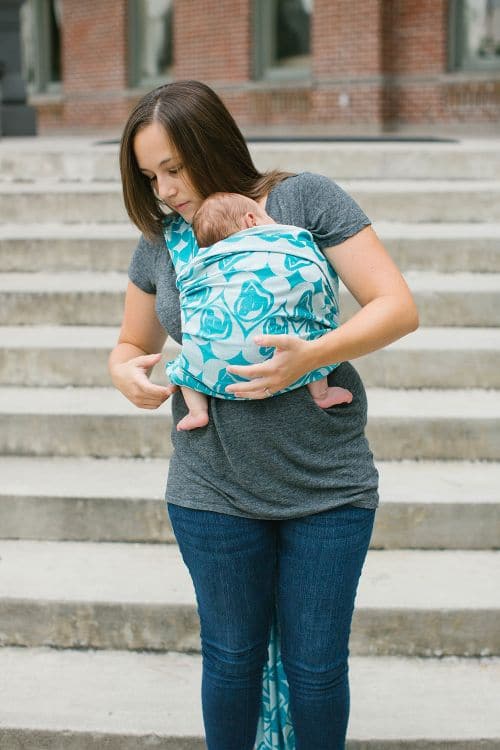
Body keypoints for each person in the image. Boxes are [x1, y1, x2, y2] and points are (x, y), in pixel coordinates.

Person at [110, 80, 419, 750]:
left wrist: (311, 356)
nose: (162, 190)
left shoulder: (302, 199)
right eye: (147, 175)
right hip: (212, 487)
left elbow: (396, 306)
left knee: (315, 668)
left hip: (326, 485)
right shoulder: (164, 239)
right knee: (229, 658)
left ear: (210, 146)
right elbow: (134, 342)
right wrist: (122, 369)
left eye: (173, 168)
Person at [167, 191, 353, 431]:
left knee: (184, 370)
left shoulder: (201, 261)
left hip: (212, 370)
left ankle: (197, 411)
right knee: (311, 331)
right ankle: (321, 394)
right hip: (284, 355)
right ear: (251, 220)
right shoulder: (281, 241)